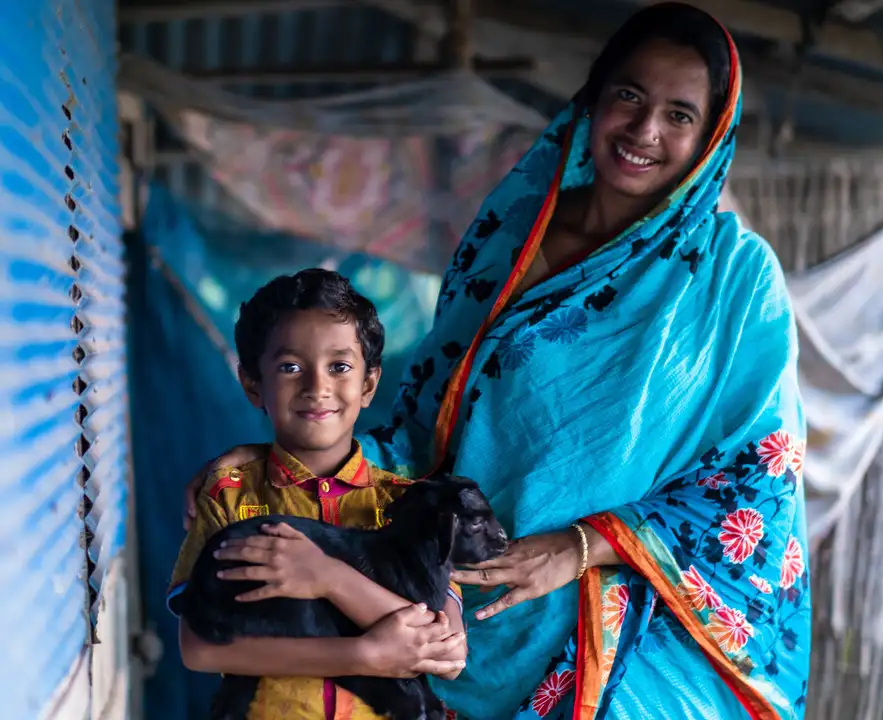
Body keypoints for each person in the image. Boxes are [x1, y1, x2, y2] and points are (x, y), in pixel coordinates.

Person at [184, 4, 810, 718]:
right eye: (629, 96)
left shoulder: (733, 278)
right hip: (453, 595)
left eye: (679, 114)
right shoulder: (510, 234)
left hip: (615, 628)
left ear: (710, 138)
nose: (644, 131)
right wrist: (285, 456)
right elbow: (425, 415)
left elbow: (758, 475)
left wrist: (581, 547)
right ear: (594, 98)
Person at [169, 268, 467, 718]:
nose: (317, 387)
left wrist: (327, 576)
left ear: (368, 384)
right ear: (253, 384)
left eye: (340, 367)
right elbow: (200, 648)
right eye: (290, 367)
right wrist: (362, 656)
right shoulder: (231, 495)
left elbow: (445, 651)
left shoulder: (410, 503)